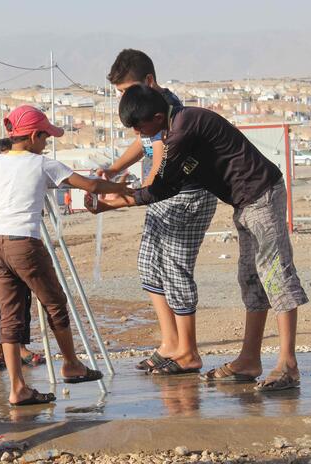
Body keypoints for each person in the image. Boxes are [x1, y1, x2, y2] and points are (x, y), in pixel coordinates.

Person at [93, 84, 308, 391]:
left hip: (261, 196)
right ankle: (249, 360)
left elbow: (159, 189)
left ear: (156, 116)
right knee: (251, 280)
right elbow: (166, 187)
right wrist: (114, 199)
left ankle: (288, 364)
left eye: (140, 128)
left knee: (275, 276)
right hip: (246, 202)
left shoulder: (182, 131)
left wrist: (110, 201)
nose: (139, 135)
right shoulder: (177, 125)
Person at [0, 105, 129, 406]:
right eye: (45, 138)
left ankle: (18, 387)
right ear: (33, 136)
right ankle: (71, 364)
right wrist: (121, 186)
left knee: (10, 315)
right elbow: (92, 185)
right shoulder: (43, 164)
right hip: (25, 243)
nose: (46, 143)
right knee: (55, 302)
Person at [97, 49, 218, 375]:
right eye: (121, 94)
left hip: (184, 197)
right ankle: (170, 343)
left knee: (175, 270)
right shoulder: (147, 113)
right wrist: (113, 169)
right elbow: (144, 146)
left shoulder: (167, 113)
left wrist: (115, 199)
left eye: (127, 90)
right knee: (150, 267)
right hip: (161, 197)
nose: (126, 98)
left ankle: (188, 351)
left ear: (149, 82)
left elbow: (156, 176)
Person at [0, 137, 44, 371]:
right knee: (1, 303)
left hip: (20, 245)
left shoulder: (24, 179)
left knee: (22, 299)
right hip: (3, 248)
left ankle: (19, 346)